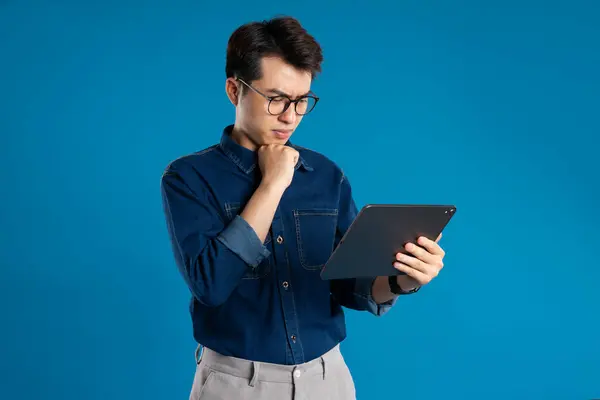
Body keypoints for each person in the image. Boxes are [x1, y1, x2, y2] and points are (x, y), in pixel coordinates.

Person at [160, 15, 447, 400]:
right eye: (276, 99)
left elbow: (349, 284)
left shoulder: (325, 175)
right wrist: (273, 182)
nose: (290, 116)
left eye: (301, 101)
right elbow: (210, 285)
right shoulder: (189, 178)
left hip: (327, 380)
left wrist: (402, 280)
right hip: (236, 384)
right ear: (234, 90)